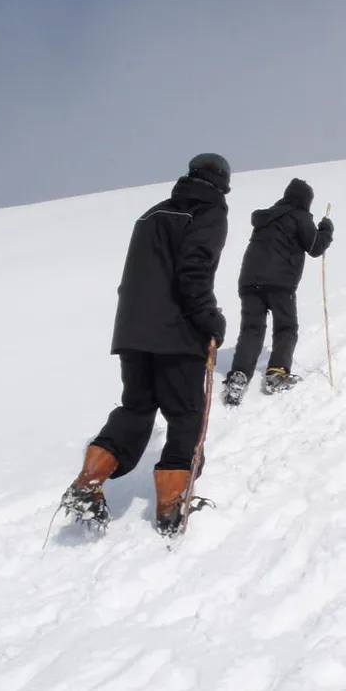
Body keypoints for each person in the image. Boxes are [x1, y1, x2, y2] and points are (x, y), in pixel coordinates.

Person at [60, 153, 230, 534]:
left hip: (133, 332)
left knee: (136, 409)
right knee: (185, 414)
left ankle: (89, 480)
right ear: (222, 184)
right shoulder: (209, 212)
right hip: (176, 332)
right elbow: (193, 272)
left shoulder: (151, 214)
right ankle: (171, 505)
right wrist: (210, 319)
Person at [223, 177, 333, 405]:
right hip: (280, 284)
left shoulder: (266, 218)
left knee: (251, 329)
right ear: (305, 200)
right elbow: (315, 247)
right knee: (286, 327)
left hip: (249, 282)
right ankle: (277, 373)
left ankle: (239, 375)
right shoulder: (300, 216)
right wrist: (326, 229)